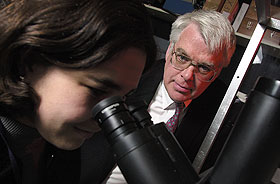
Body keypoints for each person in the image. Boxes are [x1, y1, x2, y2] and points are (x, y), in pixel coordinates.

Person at [0, 0, 157, 183]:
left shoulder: (64, 148)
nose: (103, 121)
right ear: (26, 61)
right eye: (97, 90)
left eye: (123, 98)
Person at [107, 9, 236, 183]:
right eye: (182, 57)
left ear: (217, 72)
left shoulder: (223, 113)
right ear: (169, 50)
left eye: (204, 68)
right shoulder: (132, 75)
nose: (187, 75)